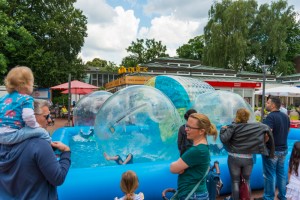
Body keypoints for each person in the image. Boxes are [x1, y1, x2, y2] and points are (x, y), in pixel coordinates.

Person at [0, 99, 71, 199]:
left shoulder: (3, 143)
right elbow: (58, 178)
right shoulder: (40, 145)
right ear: (31, 117)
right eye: (46, 116)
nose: (50, 120)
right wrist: (66, 153)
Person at [220, 108, 273, 200]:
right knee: (247, 181)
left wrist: (222, 130)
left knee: (235, 181)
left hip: (234, 158)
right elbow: (264, 134)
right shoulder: (253, 128)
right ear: (247, 117)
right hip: (248, 158)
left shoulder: (233, 127)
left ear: (237, 116)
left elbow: (224, 139)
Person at [170, 113, 218, 200]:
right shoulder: (202, 147)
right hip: (196, 193)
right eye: (186, 126)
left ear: (201, 131)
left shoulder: (197, 150)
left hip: (193, 195)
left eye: (190, 127)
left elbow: (173, 168)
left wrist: (179, 167)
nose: (185, 129)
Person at [0, 66, 51, 144]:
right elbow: (28, 117)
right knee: (42, 132)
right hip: (12, 135)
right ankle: (51, 147)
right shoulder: (26, 98)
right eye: (32, 82)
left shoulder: (3, 98)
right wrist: (36, 126)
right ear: (25, 84)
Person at [262, 96, 290, 200]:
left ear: (273, 105)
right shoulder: (285, 116)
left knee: (270, 174)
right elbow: (288, 131)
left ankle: (269, 197)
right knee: (281, 173)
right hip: (283, 149)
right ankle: (282, 196)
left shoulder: (270, 117)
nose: (266, 104)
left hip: (272, 150)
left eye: (268, 103)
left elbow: (267, 133)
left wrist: (263, 143)